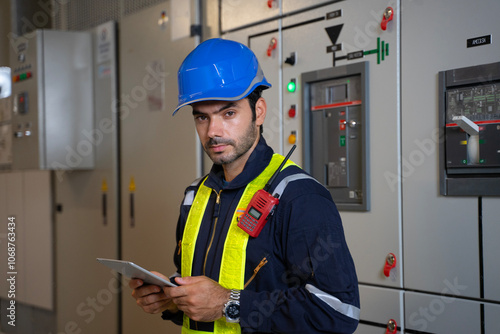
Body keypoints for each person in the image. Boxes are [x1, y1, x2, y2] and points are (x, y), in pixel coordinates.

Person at [129, 38, 360, 333]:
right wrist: (173, 300)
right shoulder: (195, 196)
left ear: (259, 111)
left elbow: (338, 312)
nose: (213, 131)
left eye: (228, 113)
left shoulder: (300, 197)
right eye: (202, 117)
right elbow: (207, 299)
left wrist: (229, 303)